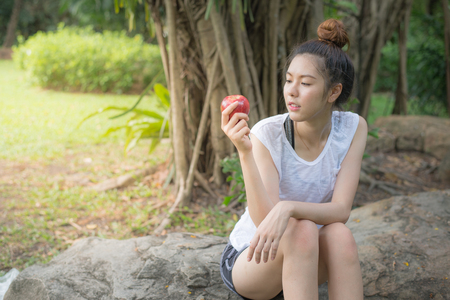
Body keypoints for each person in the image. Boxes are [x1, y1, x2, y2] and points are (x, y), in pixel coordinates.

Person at [219, 18, 366, 300]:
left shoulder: (353, 128)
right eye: (288, 80)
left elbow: (341, 210)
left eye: (305, 83)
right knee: (302, 230)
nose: (291, 91)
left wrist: (288, 207)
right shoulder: (267, 133)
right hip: (256, 258)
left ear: (333, 92)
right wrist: (245, 152)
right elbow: (265, 223)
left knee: (339, 235)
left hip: (307, 256)